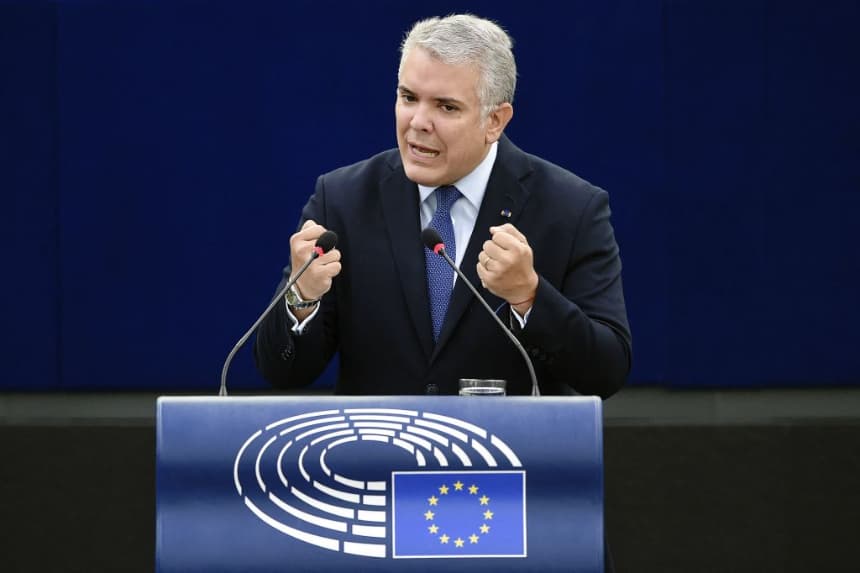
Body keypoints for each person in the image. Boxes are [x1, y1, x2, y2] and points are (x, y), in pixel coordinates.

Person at [254, 14, 631, 399]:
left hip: (509, 456)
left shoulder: (570, 208)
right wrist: (302, 299)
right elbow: (281, 371)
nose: (418, 122)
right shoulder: (343, 201)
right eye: (408, 98)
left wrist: (529, 296)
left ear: (495, 121)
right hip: (376, 454)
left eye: (446, 107)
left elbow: (606, 372)